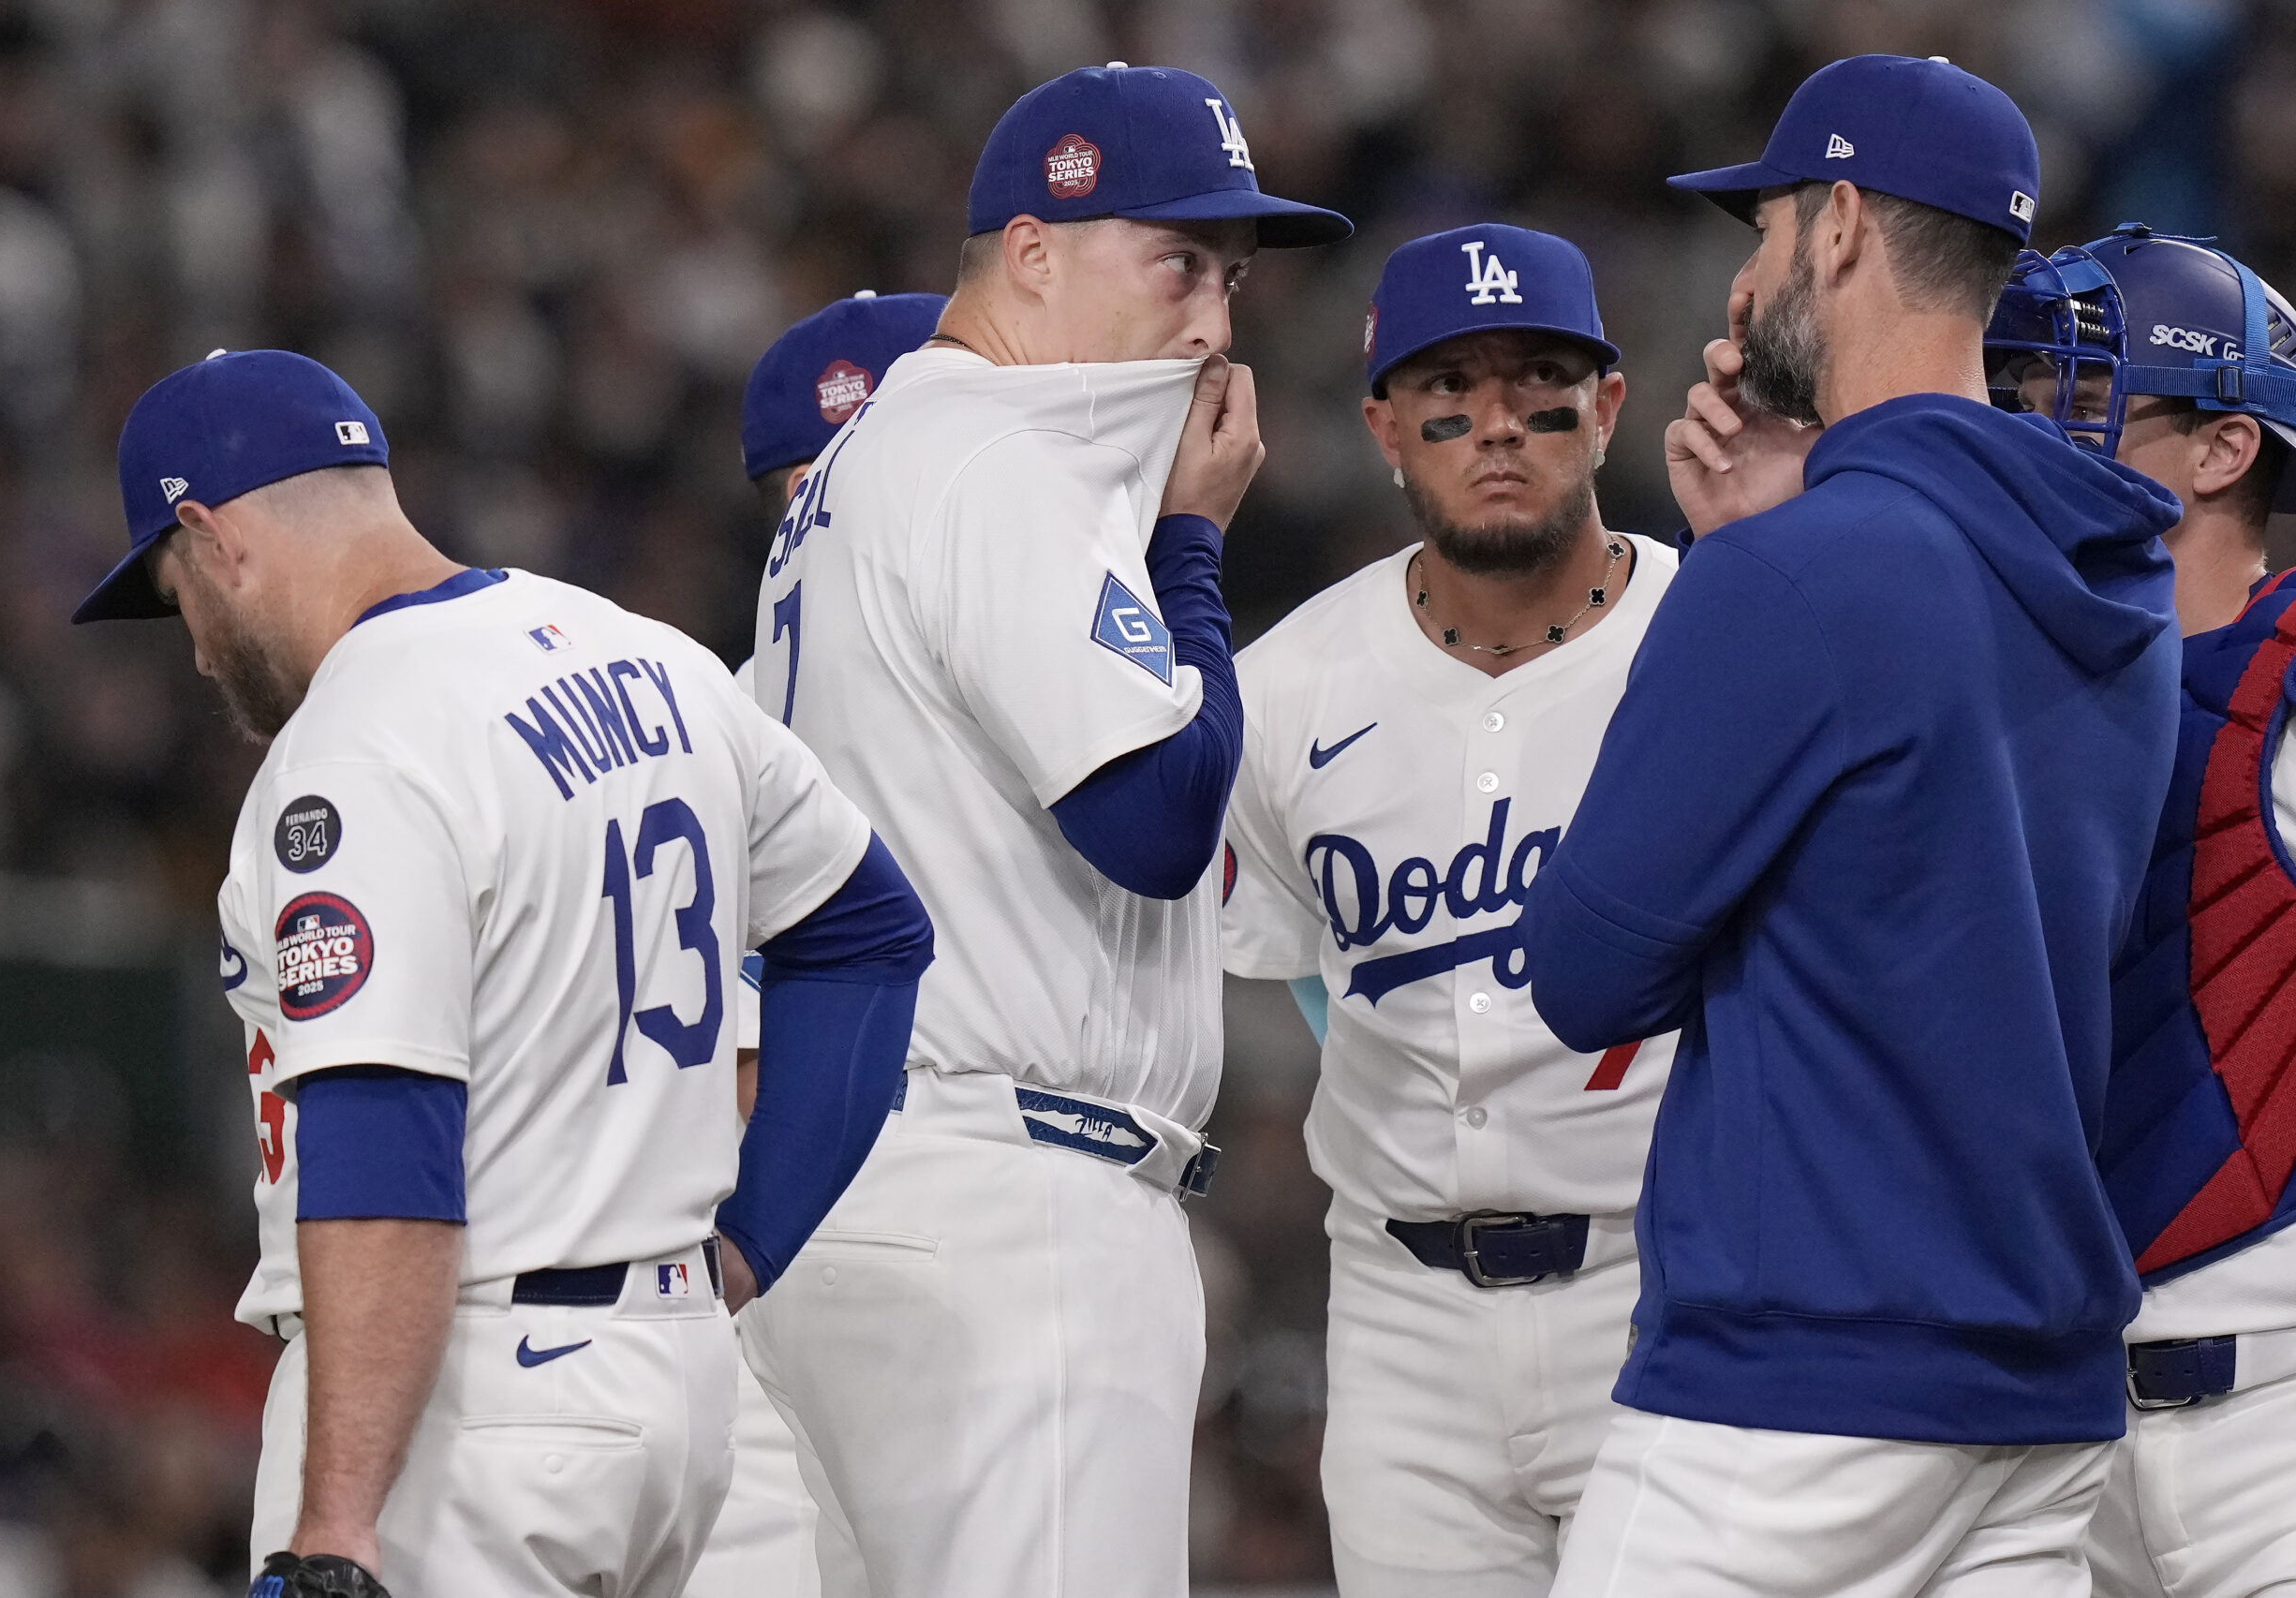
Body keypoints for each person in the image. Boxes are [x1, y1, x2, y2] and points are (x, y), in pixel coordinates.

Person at [70, 349, 932, 1598]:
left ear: (214, 537)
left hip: (466, 1404)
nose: (197, 649)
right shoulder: (647, 655)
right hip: (677, 1393)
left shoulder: (356, 746)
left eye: (175, 593)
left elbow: (384, 1139)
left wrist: (337, 1523)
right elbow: (870, 933)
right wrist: (747, 1246)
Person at [1517, 55, 2186, 1596]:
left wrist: (1753, 567)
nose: (1743, 281)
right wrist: (1791, 530)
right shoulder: (2122, 583)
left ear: (1836, 230)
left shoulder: (1800, 580)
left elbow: (1584, 973)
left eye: (1761, 233)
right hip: (2040, 1401)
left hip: (1797, 1387)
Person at [737, 61, 1349, 1598]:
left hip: (872, 1191)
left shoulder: (867, 472)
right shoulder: (1003, 451)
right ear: (1031, 253)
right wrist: (1196, 546)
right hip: (1012, 1216)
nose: (1214, 320)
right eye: (1176, 261)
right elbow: (1151, 816)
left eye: (1231, 273)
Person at [1219, 223, 1678, 1598]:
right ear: (1384, 427)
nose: (1494, 423)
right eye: (1447, 391)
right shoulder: (1285, 687)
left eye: (1538, 381)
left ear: (1605, 407)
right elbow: (1298, 959)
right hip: (1402, 1317)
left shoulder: (1711, 638)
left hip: (1665, 1289)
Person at [1988, 227, 2296, 1595]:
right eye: (2021, 391)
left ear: (2223, 450)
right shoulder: (1966, 691)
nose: (2035, 430)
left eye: (2080, 393)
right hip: (2040, 1454)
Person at [690, 287, 944, 1598]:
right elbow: (737, 1087)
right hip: (818, 1263)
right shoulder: (732, 732)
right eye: (814, 481)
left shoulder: (729, 713)